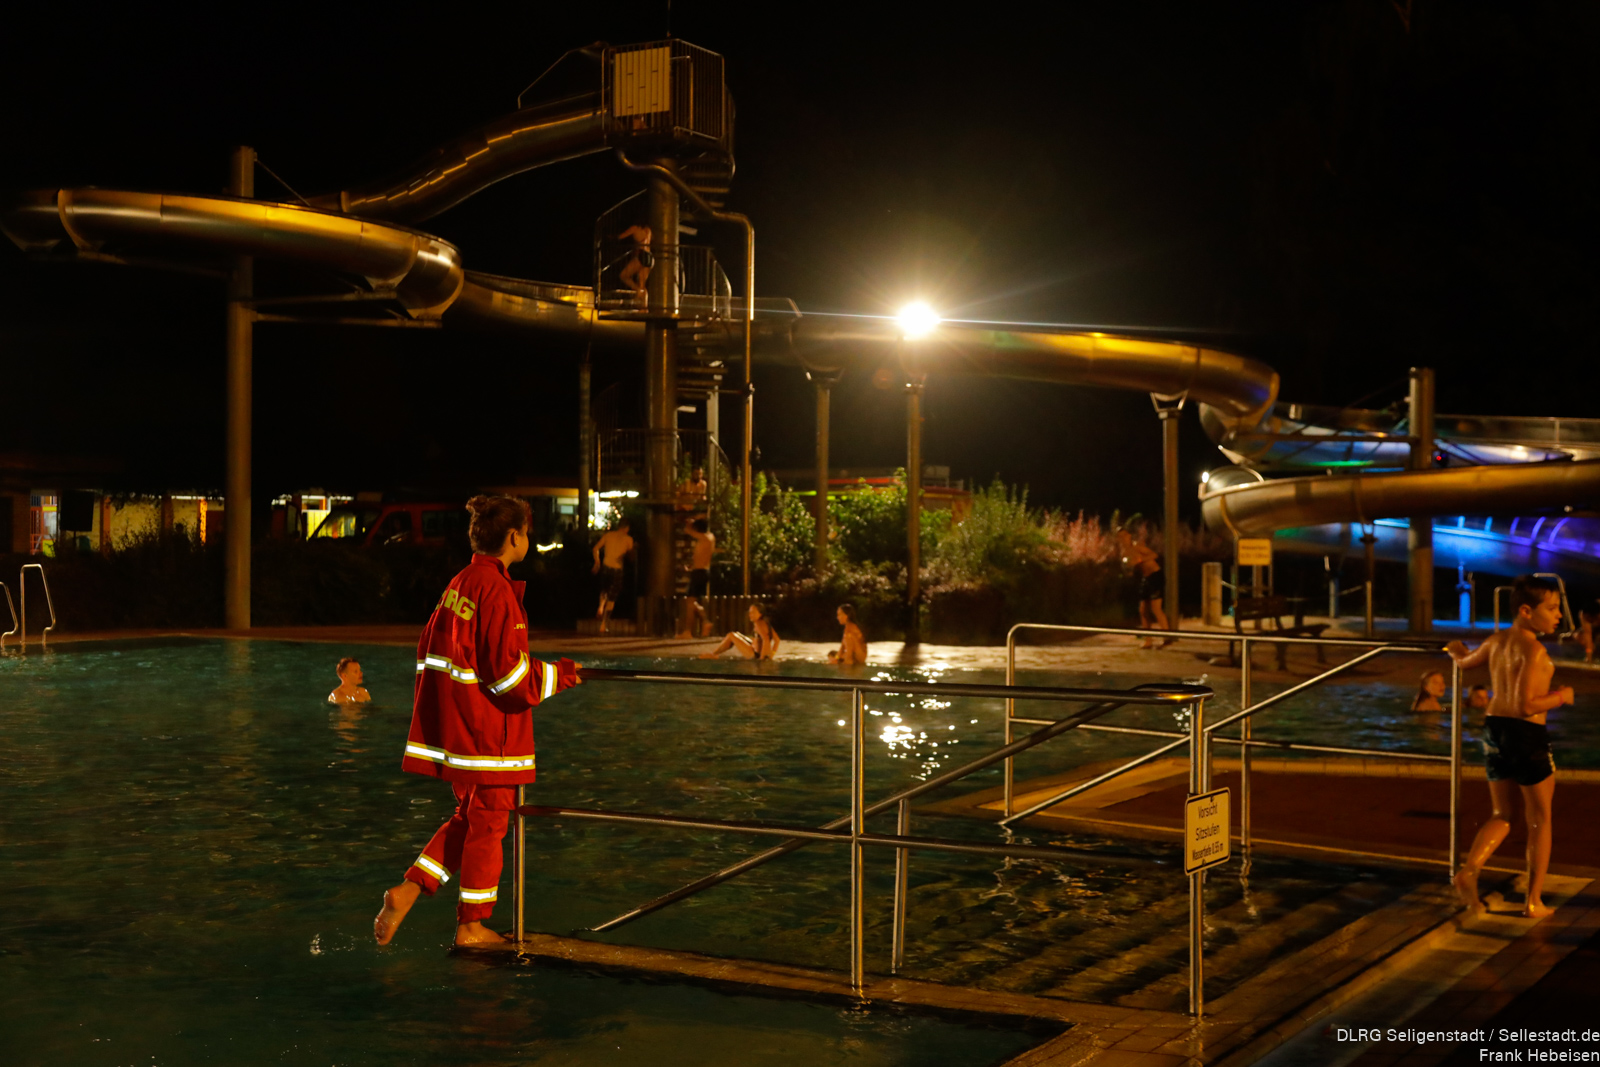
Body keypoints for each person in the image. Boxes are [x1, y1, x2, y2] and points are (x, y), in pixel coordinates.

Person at [374, 495, 582, 949]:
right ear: (514, 536)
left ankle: (409, 889)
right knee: (488, 828)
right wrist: (562, 675)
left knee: (469, 819)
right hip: (489, 736)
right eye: (527, 533)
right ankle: (471, 926)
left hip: (459, 732)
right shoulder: (497, 591)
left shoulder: (460, 583)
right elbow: (509, 677)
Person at [1445, 575, 1576, 920]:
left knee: (1503, 814)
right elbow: (1525, 705)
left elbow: (1464, 662)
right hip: (1525, 734)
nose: (1558, 615)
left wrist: (1455, 649)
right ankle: (1533, 902)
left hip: (1494, 729)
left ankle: (1470, 870)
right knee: (1540, 819)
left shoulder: (1497, 640)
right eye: (1552, 609)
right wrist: (1562, 696)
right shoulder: (1533, 649)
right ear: (1526, 611)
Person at [1115, 527, 1169, 649]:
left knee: (1156, 608)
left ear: (1129, 536)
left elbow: (1154, 555)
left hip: (1155, 576)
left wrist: (1140, 559)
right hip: (1146, 578)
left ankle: (1167, 637)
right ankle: (1148, 640)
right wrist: (1129, 570)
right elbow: (1129, 569)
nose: (1123, 539)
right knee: (1143, 610)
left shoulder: (1137, 546)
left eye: (1124, 535)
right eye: (1120, 537)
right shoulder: (1124, 553)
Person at [592, 520, 635, 634]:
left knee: (604, 589)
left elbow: (595, 548)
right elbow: (631, 558)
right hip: (617, 569)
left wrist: (597, 562)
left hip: (606, 566)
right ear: (626, 528)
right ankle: (603, 624)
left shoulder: (608, 535)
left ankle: (601, 606)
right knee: (612, 597)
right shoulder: (628, 539)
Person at [700, 602, 780, 660]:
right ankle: (715, 654)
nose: (750, 615)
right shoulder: (765, 623)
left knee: (731, 635)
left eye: (753, 612)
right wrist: (771, 654)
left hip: (755, 655)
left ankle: (714, 654)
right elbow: (777, 640)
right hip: (760, 653)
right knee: (737, 634)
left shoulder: (758, 623)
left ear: (760, 613)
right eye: (749, 612)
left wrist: (762, 659)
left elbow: (766, 639)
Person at [678, 517, 716, 639]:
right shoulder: (710, 537)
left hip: (699, 572)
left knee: (690, 602)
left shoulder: (704, 538)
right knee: (692, 602)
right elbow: (700, 556)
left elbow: (687, 531)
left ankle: (688, 631)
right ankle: (705, 621)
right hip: (701, 571)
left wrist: (689, 524)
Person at [617, 224, 652, 294]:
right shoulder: (648, 230)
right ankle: (642, 299)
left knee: (623, 276)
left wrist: (612, 237)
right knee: (642, 286)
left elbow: (620, 236)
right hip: (649, 257)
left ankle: (637, 289)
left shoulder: (634, 228)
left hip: (642, 256)